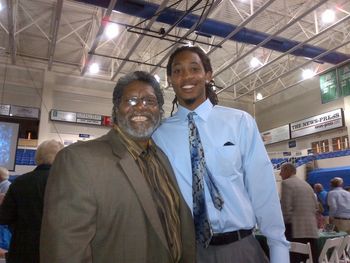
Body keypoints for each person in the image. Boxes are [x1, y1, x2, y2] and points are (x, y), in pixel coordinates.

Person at [40, 71, 195, 263]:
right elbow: (63, 251)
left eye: (150, 101)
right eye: (131, 100)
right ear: (116, 109)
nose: (140, 107)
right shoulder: (78, 160)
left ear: (159, 111)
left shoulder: (162, 158)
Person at [152, 45, 289, 263]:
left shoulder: (240, 122)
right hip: (187, 251)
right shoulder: (159, 134)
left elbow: (262, 190)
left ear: (208, 75)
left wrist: (279, 250)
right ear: (170, 80)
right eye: (177, 71)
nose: (186, 76)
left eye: (194, 68)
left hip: (240, 248)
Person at [0, 139, 64, 263]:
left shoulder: (20, 182)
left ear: (37, 157)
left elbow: (4, 217)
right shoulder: (69, 183)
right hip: (56, 249)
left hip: (22, 250)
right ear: (61, 158)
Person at [280, 163, 318, 263]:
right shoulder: (307, 185)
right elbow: (316, 207)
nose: (280, 174)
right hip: (311, 230)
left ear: (288, 170)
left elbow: (286, 210)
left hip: (295, 230)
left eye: (282, 171)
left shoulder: (286, 183)